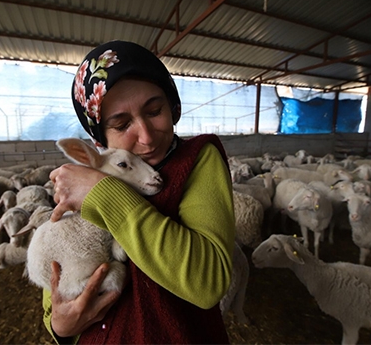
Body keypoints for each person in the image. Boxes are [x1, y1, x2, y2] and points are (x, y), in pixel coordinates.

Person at [43, 40, 236, 344]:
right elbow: (58, 272)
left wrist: (102, 193)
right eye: (121, 124)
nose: (146, 137)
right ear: (99, 137)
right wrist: (59, 327)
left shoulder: (198, 160)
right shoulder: (93, 174)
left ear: (172, 106)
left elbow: (208, 283)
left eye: (155, 110)